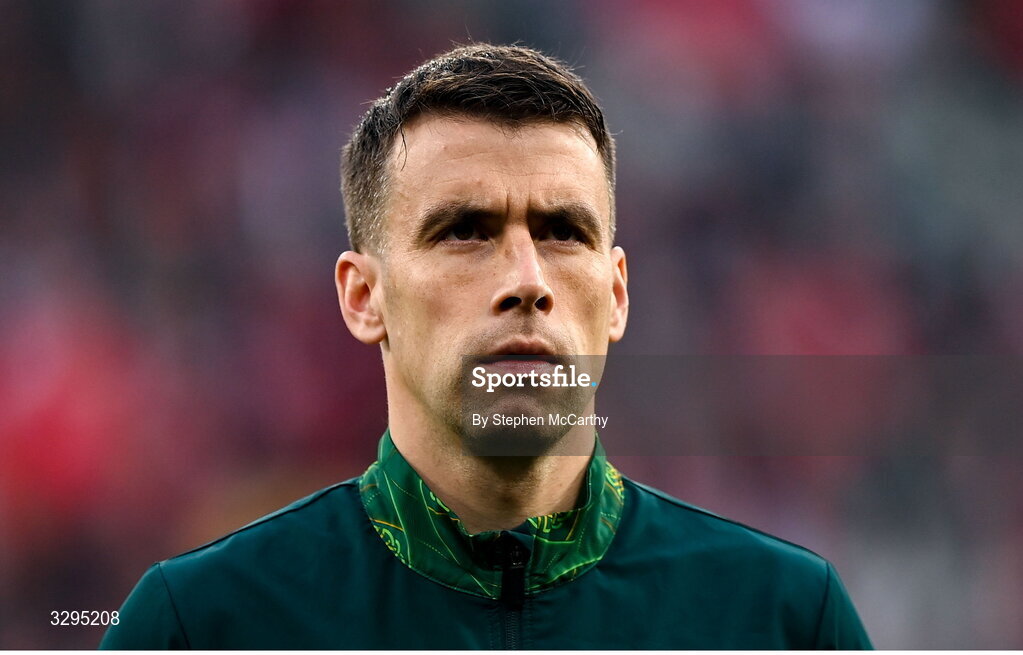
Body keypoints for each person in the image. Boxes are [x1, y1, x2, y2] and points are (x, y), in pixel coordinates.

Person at [100, 43, 872, 649]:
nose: (527, 279)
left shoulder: (783, 620)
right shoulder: (202, 626)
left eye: (562, 231)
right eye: (465, 230)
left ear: (617, 295)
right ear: (362, 297)